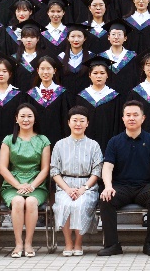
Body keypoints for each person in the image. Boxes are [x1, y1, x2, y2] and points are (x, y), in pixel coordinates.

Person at [97, 102, 150, 256]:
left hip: (144, 187)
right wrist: (108, 186)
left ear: (143, 118)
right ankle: (112, 244)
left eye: (135, 115)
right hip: (121, 187)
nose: (131, 118)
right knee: (106, 199)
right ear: (123, 118)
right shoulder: (114, 141)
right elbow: (107, 167)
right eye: (128, 115)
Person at [0, 104, 52, 257]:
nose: (26, 119)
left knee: (31, 202)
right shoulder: (8, 140)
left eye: (29, 116)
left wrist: (32, 186)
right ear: (16, 119)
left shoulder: (43, 140)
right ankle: (18, 243)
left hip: (36, 184)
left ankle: (28, 243)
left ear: (35, 119)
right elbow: (2, 167)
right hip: (12, 183)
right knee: (18, 201)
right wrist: (18, 185)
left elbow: (45, 169)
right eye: (22, 116)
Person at [50, 107, 104, 256]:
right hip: (64, 185)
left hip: (87, 185)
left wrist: (83, 188)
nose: (78, 124)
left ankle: (79, 243)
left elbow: (97, 171)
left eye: (82, 121)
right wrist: (67, 189)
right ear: (69, 123)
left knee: (79, 205)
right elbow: (54, 171)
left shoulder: (94, 145)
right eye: (75, 120)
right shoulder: (60, 145)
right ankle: (68, 243)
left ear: (87, 123)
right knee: (64, 204)